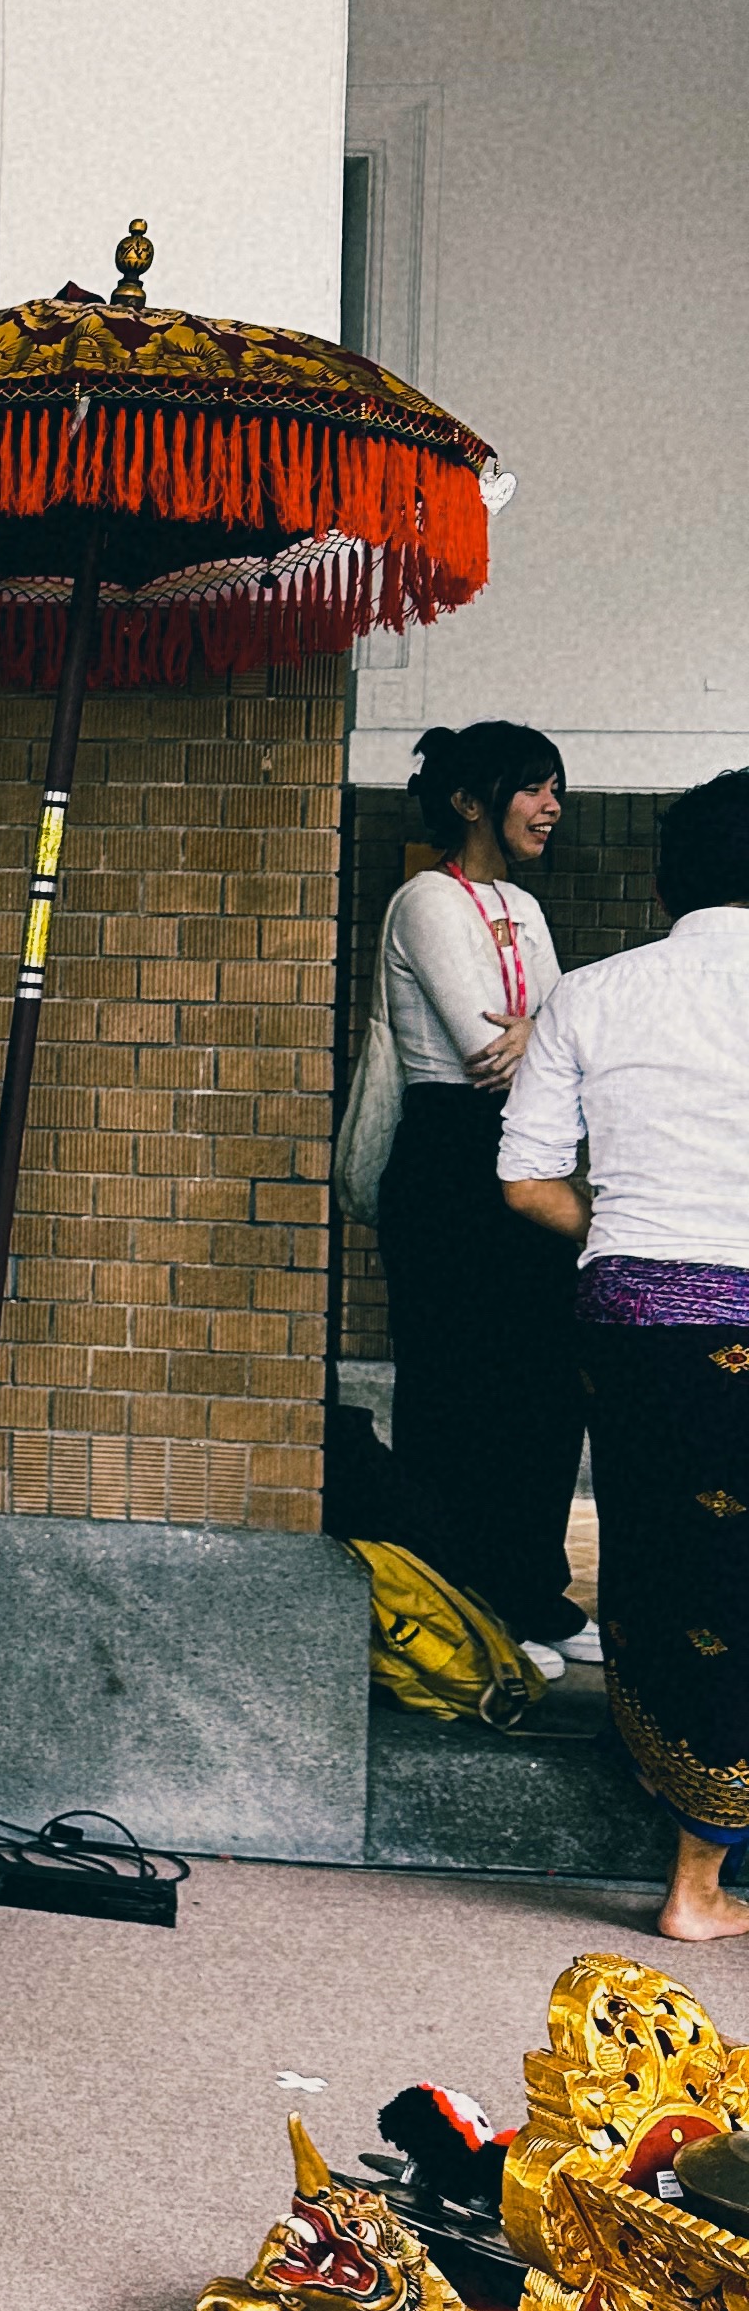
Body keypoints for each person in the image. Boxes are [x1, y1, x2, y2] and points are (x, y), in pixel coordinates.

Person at [500, 768, 749, 1945]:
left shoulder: (593, 994)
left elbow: (526, 1179)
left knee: (659, 1558)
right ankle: (700, 1883)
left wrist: (636, 1233)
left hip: (635, 1318)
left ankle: (665, 1784)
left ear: (665, 884)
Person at [372, 719, 598, 1671]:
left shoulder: (524, 907)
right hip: (448, 1159)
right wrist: (549, 1034)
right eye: (533, 788)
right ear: (470, 801)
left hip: (524, 1156)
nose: (552, 807)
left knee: (542, 1385)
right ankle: (469, 1614)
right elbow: (485, 1050)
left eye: (556, 788)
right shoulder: (426, 899)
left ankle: (532, 1593)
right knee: (458, 1391)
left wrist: (543, 1034)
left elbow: (553, 1045)